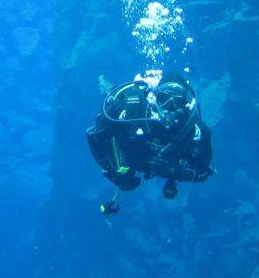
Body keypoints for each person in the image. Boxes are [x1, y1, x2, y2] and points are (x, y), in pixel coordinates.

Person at [87, 72, 213, 214]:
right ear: (154, 97)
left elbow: (204, 172)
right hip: (129, 159)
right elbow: (94, 137)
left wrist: (174, 172)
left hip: (164, 164)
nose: (169, 107)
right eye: (164, 98)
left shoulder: (194, 130)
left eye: (177, 102)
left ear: (186, 105)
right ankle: (105, 85)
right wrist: (115, 173)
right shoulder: (131, 111)